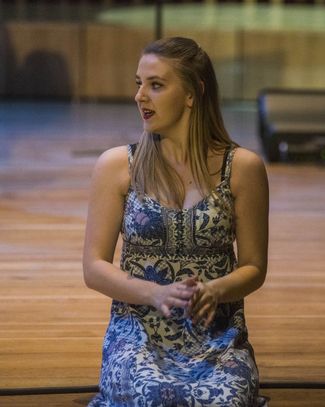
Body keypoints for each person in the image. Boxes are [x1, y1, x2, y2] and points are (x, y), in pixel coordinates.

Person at [83, 36, 269, 407]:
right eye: (139, 84)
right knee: (154, 397)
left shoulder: (243, 167)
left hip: (217, 338)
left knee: (224, 401)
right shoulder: (117, 166)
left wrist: (214, 290)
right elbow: (94, 268)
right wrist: (156, 293)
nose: (140, 96)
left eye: (155, 85)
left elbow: (254, 268)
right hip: (138, 335)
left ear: (191, 93)